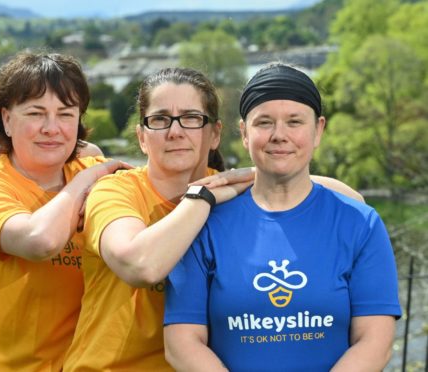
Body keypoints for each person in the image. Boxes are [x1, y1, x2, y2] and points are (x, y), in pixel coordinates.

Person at [62, 67, 364, 371]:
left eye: (192, 119)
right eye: (160, 119)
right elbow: (140, 264)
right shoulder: (116, 190)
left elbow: (353, 201)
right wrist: (200, 200)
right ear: (142, 137)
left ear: (215, 134)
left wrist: (264, 174)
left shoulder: (231, 192)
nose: (175, 131)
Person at [163, 63, 401, 371]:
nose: (279, 135)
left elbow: (375, 342)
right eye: (264, 123)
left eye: (294, 122)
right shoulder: (204, 225)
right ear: (244, 133)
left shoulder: (360, 224)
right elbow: (182, 344)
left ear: (318, 130)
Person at [0, 52, 127, 371]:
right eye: (36, 113)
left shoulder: (102, 176)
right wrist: (84, 182)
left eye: (65, 114)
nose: (52, 128)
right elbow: (39, 241)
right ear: (6, 118)